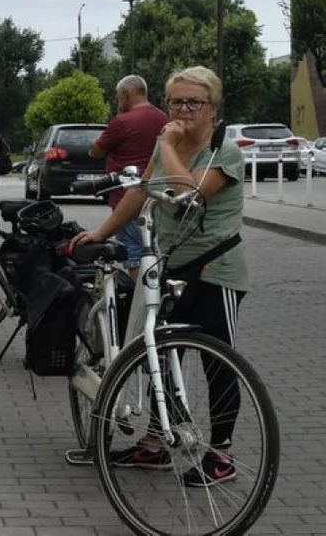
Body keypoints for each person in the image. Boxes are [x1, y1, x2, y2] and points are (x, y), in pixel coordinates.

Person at [70, 66, 248, 487]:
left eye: (194, 102)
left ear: (213, 108)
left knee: (218, 361)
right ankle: (154, 443)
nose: (184, 110)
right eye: (177, 101)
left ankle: (221, 455)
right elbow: (140, 191)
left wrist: (168, 142)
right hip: (171, 269)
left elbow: (187, 194)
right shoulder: (165, 146)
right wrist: (100, 231)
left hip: (216, 270)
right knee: (159, 356)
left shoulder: (225, 151)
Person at [89, 75, 169, 281]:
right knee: (151, 247)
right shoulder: (163, 118)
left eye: (118, 97)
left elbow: (95, 151)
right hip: (158, 192)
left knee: (134, 250)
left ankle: (143, 301)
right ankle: (155, 293)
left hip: (127, 196)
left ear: (126, 94)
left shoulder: (122, 121)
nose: (117, 101)